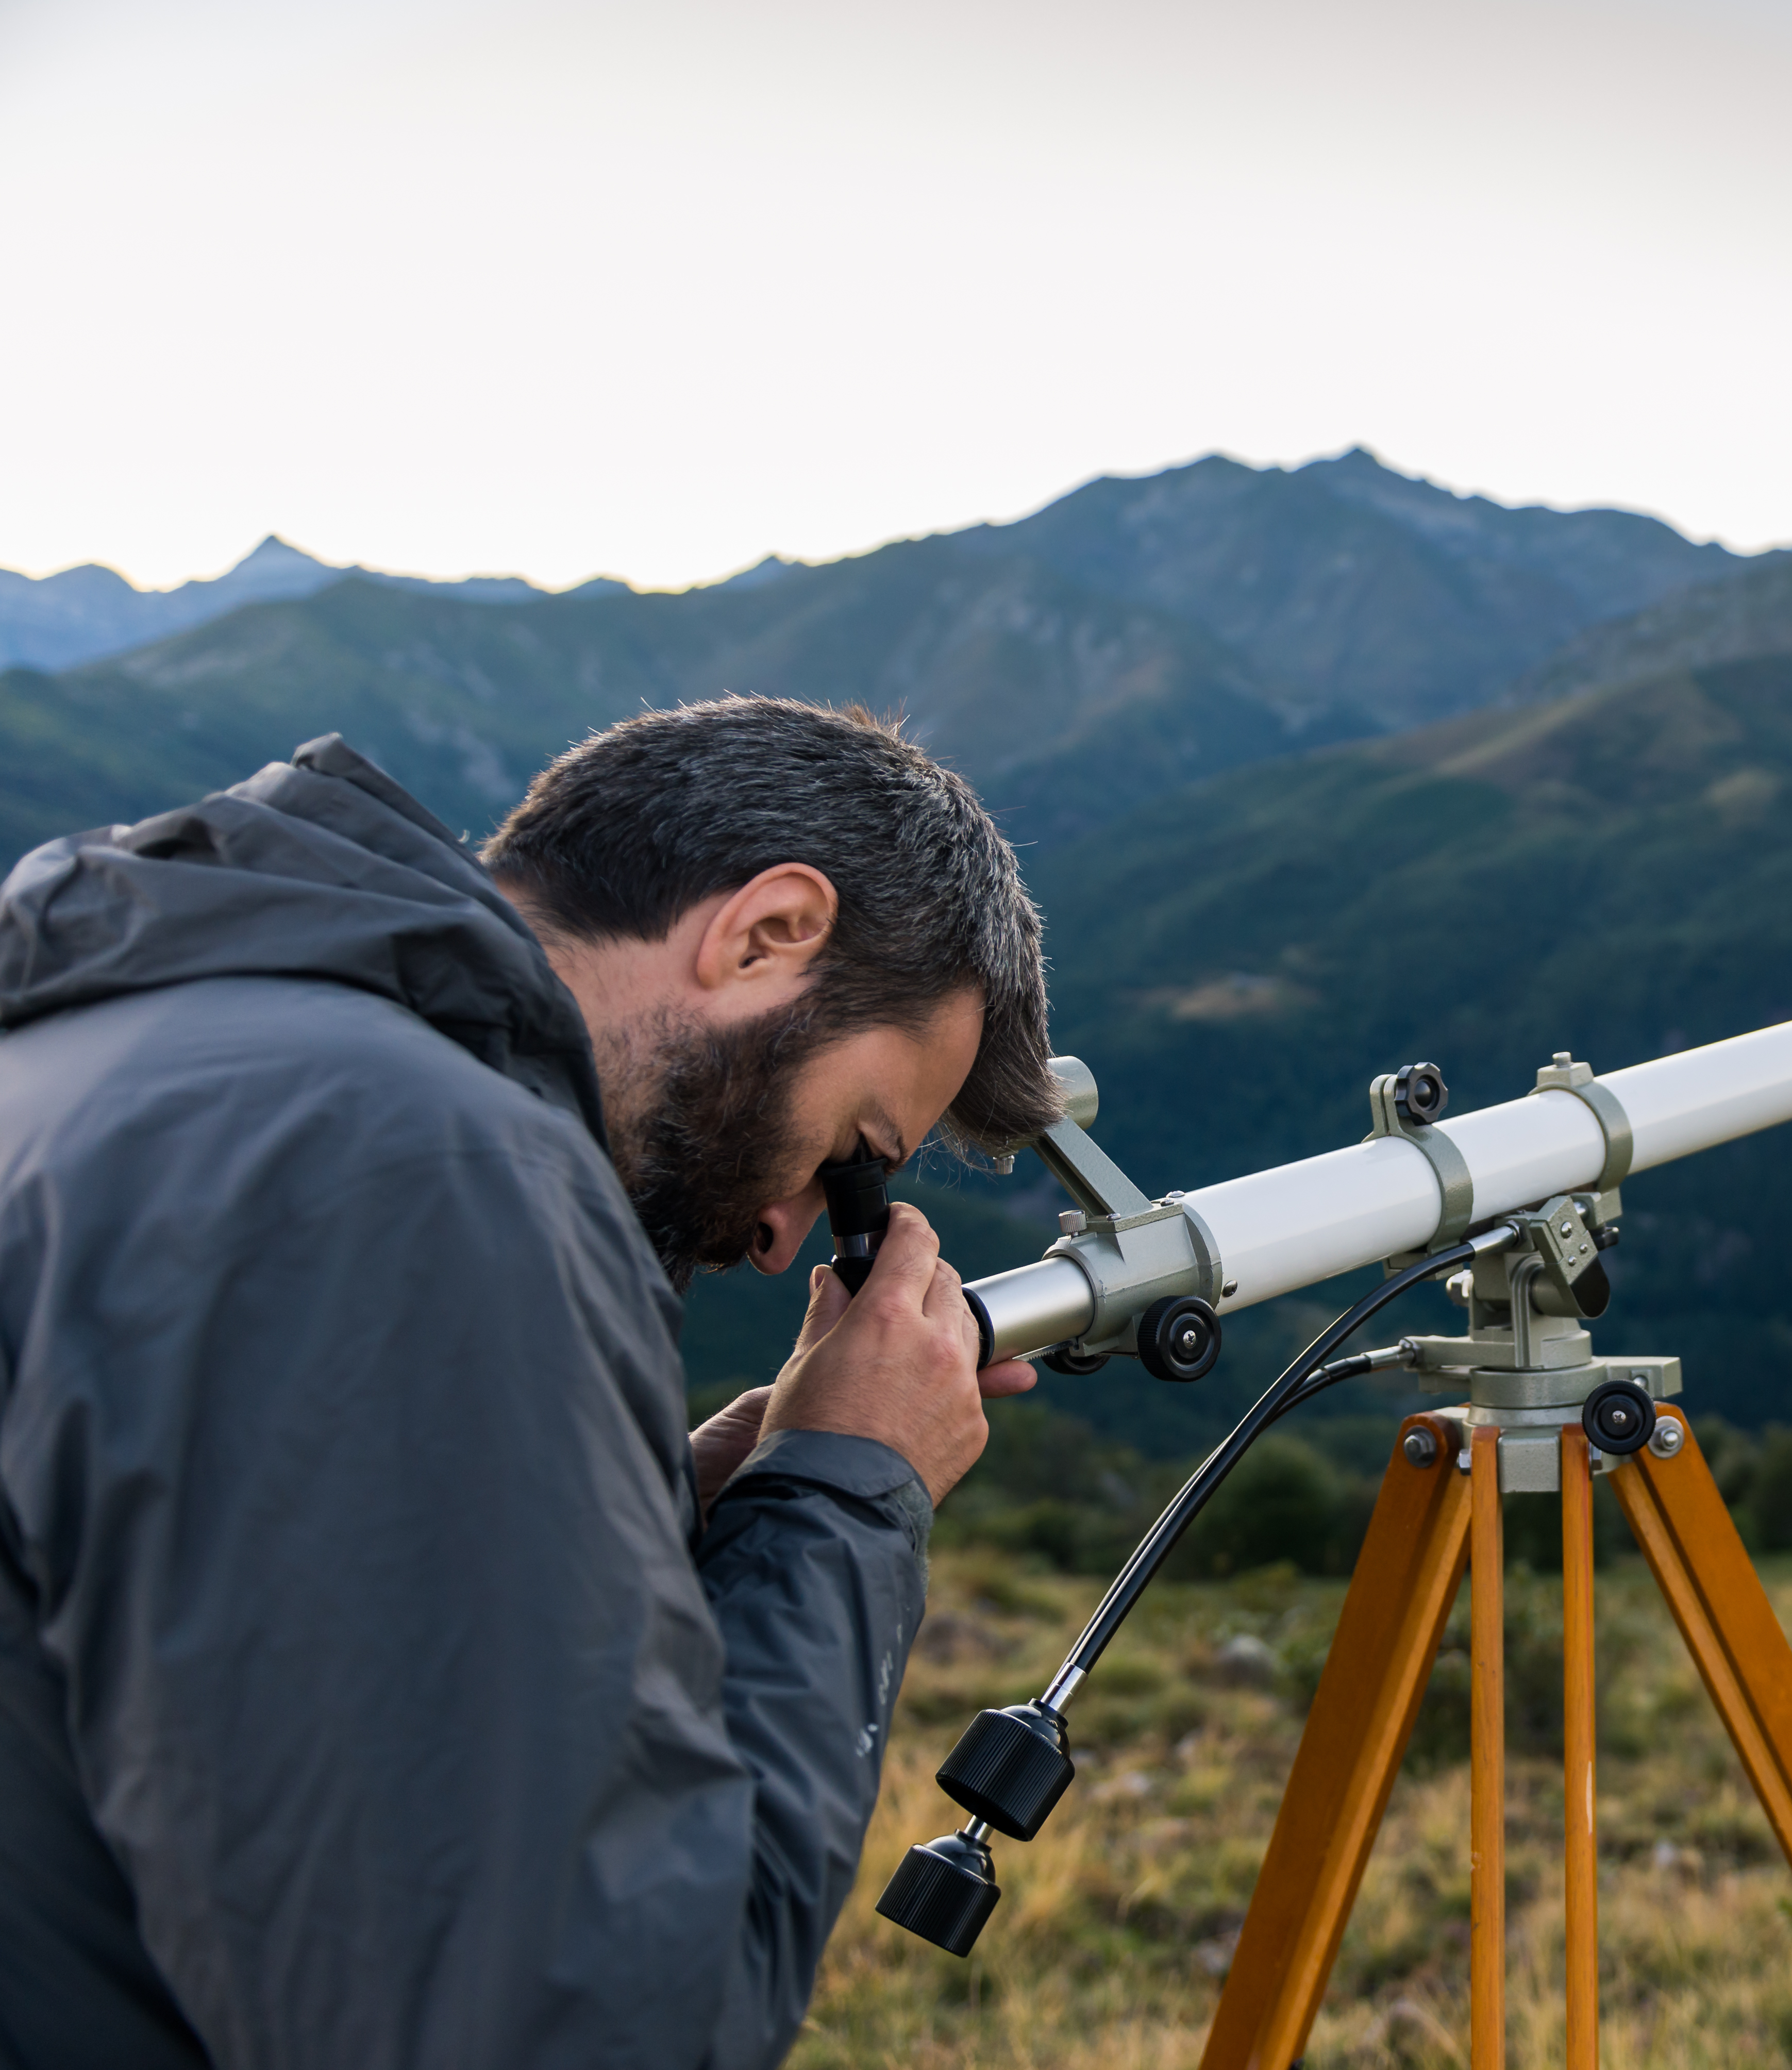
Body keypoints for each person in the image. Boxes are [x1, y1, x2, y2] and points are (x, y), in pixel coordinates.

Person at [0, 699, 1054, 2067]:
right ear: (766, 934)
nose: (790, 1232)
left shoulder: (161, 1054)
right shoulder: (418, 1173)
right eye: (854, 1153)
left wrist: (651, 1500)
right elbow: (569, 2022)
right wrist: (848, 1500)